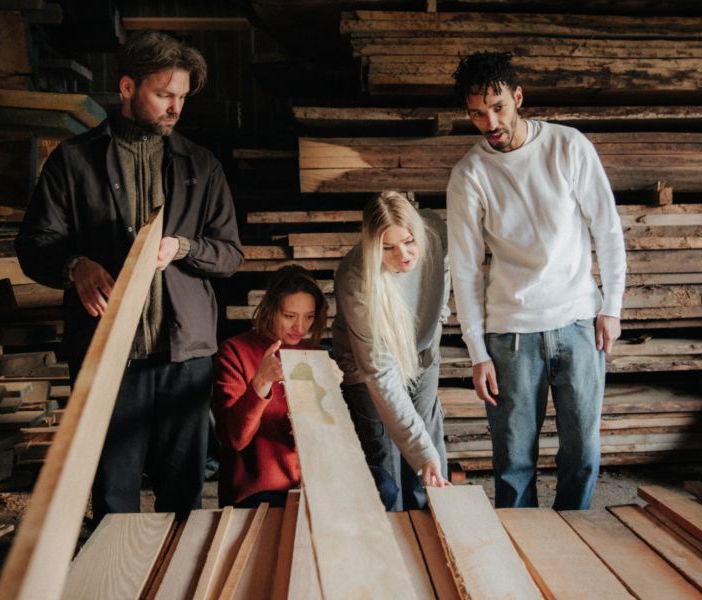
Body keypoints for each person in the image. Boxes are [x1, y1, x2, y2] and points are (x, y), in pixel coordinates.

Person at [16, 31, 243, 522]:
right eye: (164, 94)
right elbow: (33, 246)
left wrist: (183, 247)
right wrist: (74, 265)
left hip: (185, 357)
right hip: (106, 355)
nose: (175, 108)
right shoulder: (74, 161)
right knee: (112, 495)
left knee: (183, 497)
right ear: (126, 87)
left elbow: (229, 255)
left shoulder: (202, 167)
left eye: (181, 97)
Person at [446, 52, 627, 510]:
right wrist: (477, 353)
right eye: (477, 113)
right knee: (513, 464)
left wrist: (612, 307)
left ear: (518, 97)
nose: (490, 121)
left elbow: (606, 228)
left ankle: (575, 542)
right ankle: (521, 553)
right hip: (509, 336)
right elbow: (465, 269)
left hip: (579, 323)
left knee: (582, 452)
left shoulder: (568, 146)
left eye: (498, 107)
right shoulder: (469, 175)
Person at [213, 265, 377, 507]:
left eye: (308, 317)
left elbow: (327, 442)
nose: (300, 327)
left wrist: (332, 397)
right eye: (289, 316)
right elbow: (234, 439)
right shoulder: (235, 351)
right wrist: (260, 383)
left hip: (313, 485)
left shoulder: (315, 353)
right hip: (258, 491)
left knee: (384, 485)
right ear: (270, 310)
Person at [333, 191, 452, 511]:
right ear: (373, 246)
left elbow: (444, 265)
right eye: (388, 247)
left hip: (422, 354)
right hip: (369, 364)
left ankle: (434, 524)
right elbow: (380, 373)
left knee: (430, 445)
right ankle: (393, 533)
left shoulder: (432, 230)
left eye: (409, 241)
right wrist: (420, 452)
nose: (404, 255)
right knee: (387, 453)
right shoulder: (355, 279)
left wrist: (439, 313)